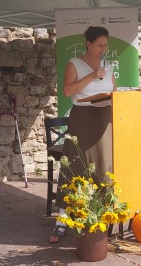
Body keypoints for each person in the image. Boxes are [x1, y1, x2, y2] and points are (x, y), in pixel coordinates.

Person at [49, 26, 116, 243]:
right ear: (88, 43)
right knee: (76, 168)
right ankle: (62, 222)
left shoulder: (109, 65)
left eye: (106, 45)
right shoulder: (74, 64)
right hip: (83, 120)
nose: (103, 49)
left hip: (105, 122)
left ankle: (100, 219)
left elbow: (114, 93)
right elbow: (68, 91)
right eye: (99, 45)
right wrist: (91, 76)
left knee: (104, 168)